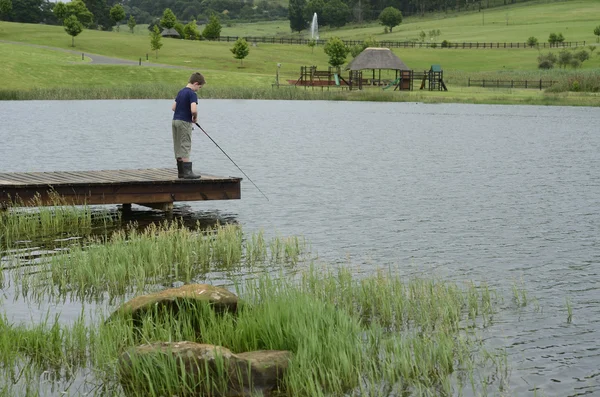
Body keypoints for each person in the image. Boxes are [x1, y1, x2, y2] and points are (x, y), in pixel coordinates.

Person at [172, 72, 205, 179]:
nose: (198, 89)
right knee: (185, 144)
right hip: (184, 122)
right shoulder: (192, 94)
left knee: (178, 145)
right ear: (195, 83)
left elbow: (173, 108)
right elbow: (193, 109)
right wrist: (194, 117)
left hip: (175, 121)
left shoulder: (181, 92)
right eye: (199, 87)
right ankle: (187, 173)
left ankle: (181, 172)